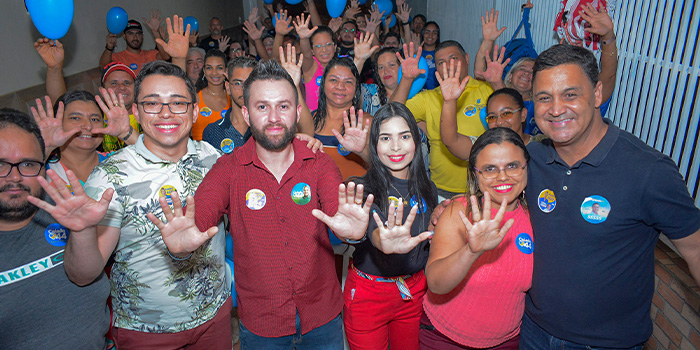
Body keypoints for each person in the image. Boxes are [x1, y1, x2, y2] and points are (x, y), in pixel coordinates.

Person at [155, 59, 373, 349]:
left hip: (323, 317)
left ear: (297, 113)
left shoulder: (319, 163)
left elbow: (340, 215)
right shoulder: (227, 170)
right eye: (262, 107)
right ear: (246, 113)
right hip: (262, 325)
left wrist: (352, 233)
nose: (273, 117)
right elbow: (199, 218)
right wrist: (182, 246)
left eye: (283, 106)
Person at [520, 44, 700, 349]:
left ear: (598, 94)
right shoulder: (530, 159)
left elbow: (695, 249)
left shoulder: (648, 171)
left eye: (570, 95)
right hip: (533, 331)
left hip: (608, 343)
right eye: (544, 98)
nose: (556, 108)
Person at [1, 108, 110, 349]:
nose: (15, 177)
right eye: (1, 165)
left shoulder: (63, 209)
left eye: (27, 164)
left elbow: (85, 276)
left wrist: (82, 231)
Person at [422, 127, 532, 349]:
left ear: (526, 167)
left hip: (508, 341)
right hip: (444, 339)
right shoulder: (458, 213)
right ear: (475, 174)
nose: (503, 176)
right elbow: (435, 283)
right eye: (490, 169)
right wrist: (471, 252)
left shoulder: (536, 218)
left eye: (512, 166)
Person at [343, 102, 437, 350]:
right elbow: (369, 228)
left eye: (404, 136)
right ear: (375, 145)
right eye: (385, 138)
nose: (396, 147)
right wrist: (379, 239)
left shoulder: (428, 188)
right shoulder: (363, 189)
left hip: (413, 290)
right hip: (369, 294)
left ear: (416, 141)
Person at [392, 42, 493, 200]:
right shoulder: (429, 98)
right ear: (436, 69)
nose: (448, 65)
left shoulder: (486, 90)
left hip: (484, 188)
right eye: (441, 62)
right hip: (441, 192)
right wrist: (406, 79)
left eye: (453, 58)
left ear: (466, 58)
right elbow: (392, 116)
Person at [202, 56, 255, 153]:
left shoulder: (267, 127)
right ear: (228, 87)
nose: (244, 89)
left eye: (250, 83)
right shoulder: (212, 132)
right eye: (238, 83)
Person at [100, 18, 170, 75]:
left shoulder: (150, 54)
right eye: (130, 34)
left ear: (142, 36)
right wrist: (109, 47)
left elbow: (166, 57)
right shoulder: (118, 57)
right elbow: (103, 67)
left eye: (138, 34)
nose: (135, 37)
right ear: (124, 36)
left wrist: (155, 32)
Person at [193, 49, 231, 141]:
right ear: (204, 71)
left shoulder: (234, 97)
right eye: (209, 68)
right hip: (200, 154)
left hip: (230, 154)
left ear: (226, 70)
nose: (214, 73)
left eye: (219, 68)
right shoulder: (195, 96)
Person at [420, 22, 440, 90]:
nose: (430, 36)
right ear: (423, 34)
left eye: (434, 33)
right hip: (419, 95)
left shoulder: (441, 54)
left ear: (437, 36)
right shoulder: (417, 53)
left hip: (438, 95)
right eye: (427, 32)